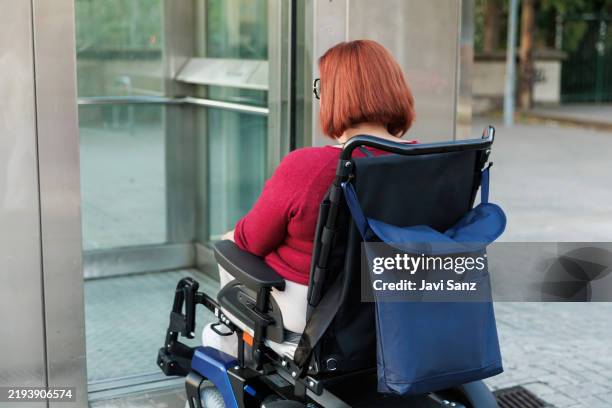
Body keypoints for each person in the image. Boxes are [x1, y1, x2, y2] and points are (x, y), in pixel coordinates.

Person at [203, 39, 416, 355]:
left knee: (228, 249)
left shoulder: (309, 166)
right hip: (394, 303)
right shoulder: (425, 162)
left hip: (318, 311)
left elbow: (251, 242)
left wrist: (229, 237)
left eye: (322, 89)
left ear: (334, 97)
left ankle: (234, 348)